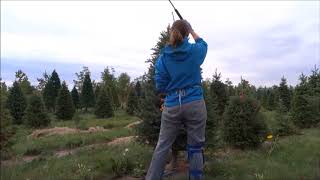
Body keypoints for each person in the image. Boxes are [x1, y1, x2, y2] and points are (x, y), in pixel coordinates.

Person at [146, 20, 208, 180]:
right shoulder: (195, 51)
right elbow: (203, 43)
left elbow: (160, 84)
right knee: (195, 146)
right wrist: (193, 30)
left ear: (171, 33)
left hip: (172, 104)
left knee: (163, 145)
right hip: (195, 102)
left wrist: (172, 93)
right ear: (187, 34)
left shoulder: (163, 58)